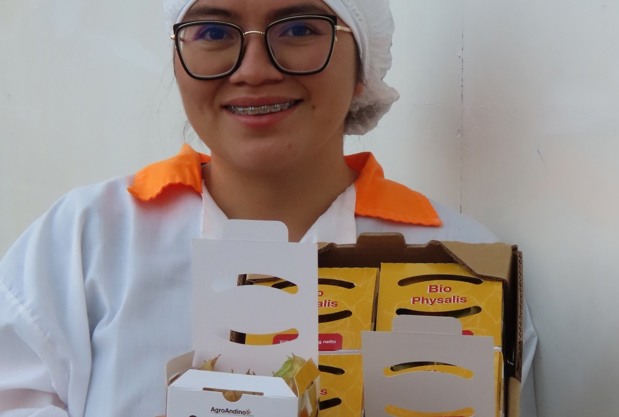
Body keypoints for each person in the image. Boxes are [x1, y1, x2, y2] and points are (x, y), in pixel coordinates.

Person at [0, 0, 538, 416]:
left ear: (363, 66)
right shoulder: (86, 240)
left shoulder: (464, 264)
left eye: (299, 28)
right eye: (213, 32)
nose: (254, 70)